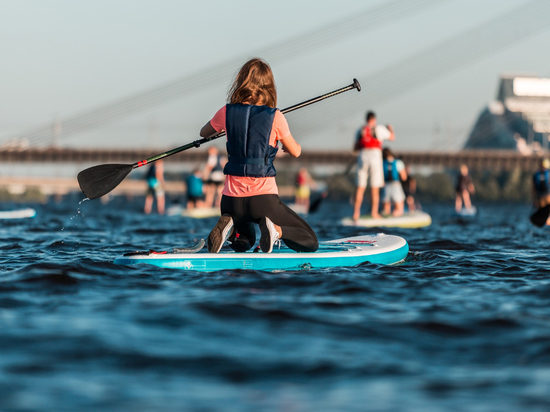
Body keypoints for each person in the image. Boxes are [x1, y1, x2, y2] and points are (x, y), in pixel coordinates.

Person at [199, 58, 319, 254]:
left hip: (231, 202)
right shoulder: (275, 117)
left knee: (244, 243)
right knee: (310, 241)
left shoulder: (226, 112)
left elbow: (204, 133)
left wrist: (226, 126)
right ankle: (276, 230)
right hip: (263, 201)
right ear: (269, 86)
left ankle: (230, 230)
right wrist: (287, 147)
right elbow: (296, 151)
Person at [353, 111, 395, 220]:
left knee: (360, 188)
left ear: (366, 119)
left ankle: (356, 213)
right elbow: (392, 137)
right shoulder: (379, 128)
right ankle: (374, 213)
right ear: (374, 119)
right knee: (374, 188)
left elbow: (355, 148)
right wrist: (390, 128)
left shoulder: (360, 130)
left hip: (362, 156)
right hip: (375, 157)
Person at [382, 148, 407, 217]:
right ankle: (395, 215)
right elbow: (404, 177)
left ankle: (386, 217)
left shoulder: (382, 163)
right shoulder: (398, 162)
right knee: (399, 209)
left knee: (386, 209)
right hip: (396, 185)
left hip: (386, 186)